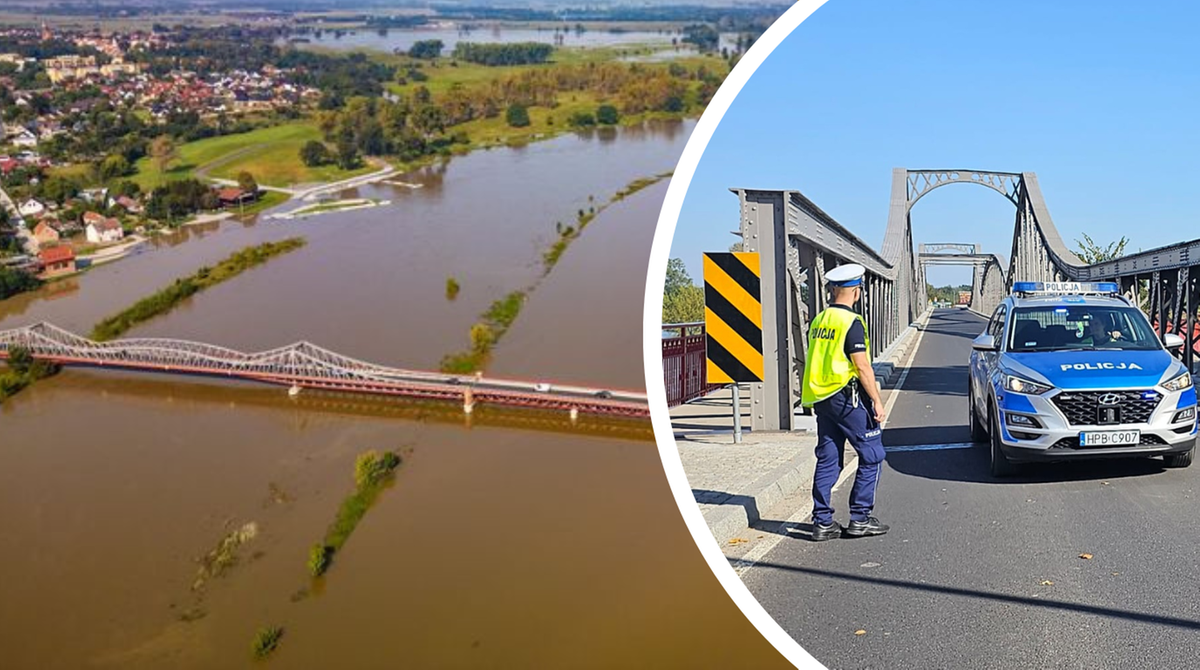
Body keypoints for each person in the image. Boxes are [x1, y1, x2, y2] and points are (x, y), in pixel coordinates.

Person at [801, 263, 889, 541]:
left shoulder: (819, 320)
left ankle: (822, 522)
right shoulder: (851, 322)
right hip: (847, 397)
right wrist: (876, 400)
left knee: (828, 458)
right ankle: (860, 518)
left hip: (822, 398)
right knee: (872, 454)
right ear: (856, 291)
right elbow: (861, 365)